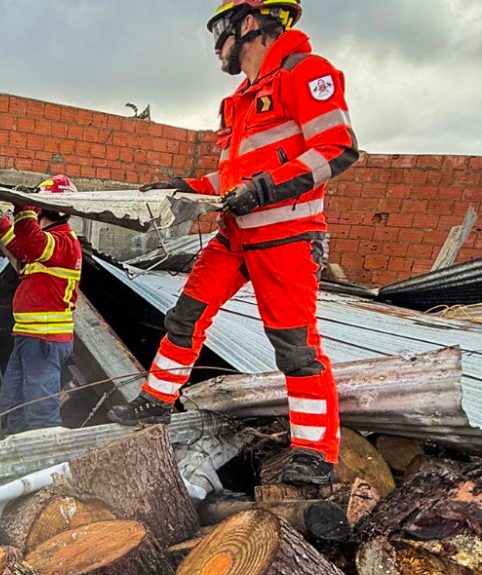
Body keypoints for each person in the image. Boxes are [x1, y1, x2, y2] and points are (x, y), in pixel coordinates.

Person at [109, 0, 358, 485]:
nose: (216, 46)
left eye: (219, 31)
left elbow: (338, 148)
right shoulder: (241, 98)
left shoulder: (306, 73)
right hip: (235, 235)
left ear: (248, 24)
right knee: (185, 317)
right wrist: (185, 186)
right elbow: (232, 178)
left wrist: (263, 189)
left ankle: (315, 452)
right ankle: (156, 401)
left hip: (286, 238)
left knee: (295, 347)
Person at [0, 175, 83, 433]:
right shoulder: (49, 240)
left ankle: (44, 452)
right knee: (12, 402)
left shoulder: (63, 241)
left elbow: (30, 243)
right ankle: (15, 443)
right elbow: (21, 247)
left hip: (45, 340)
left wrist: (24, 206)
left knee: (40, 411)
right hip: (30, 337)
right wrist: (1, 223)